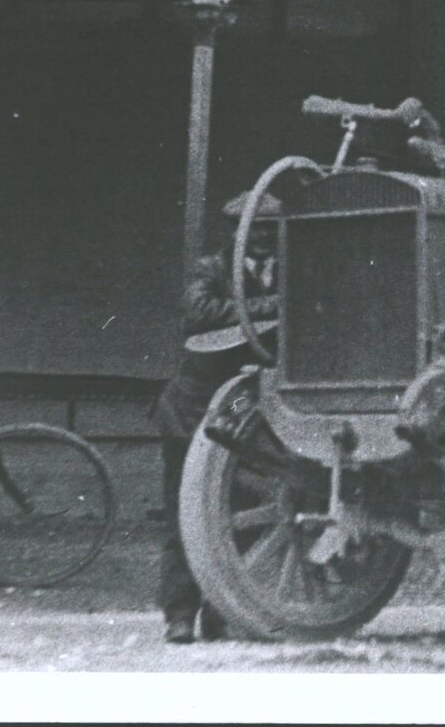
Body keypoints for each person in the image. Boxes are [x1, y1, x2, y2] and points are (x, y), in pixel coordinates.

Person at [150, 191, 282, 644]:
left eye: (271, 227)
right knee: (185, 515)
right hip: (194, 409)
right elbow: (198, 313)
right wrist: (269, 307)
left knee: (242, 515)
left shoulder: (291, 272)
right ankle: (180, 613)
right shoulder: (211, 269)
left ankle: (221, 610)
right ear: (236, 231)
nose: (263, 237)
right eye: (255, 227)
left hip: (248, 416)